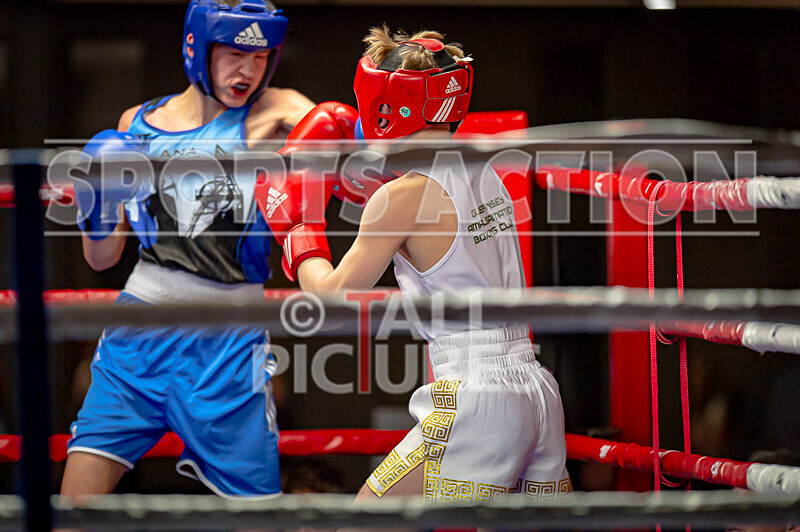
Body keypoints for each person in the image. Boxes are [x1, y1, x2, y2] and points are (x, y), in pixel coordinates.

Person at [257, 26, 570, 501]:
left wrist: (297, 227)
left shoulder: (400, 198)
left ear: (383, 104)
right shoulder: (484, 169)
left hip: (474, 394)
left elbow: (330, 299)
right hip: (536, 389)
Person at [62, 0, 314, 499]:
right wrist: (96, 204)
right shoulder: (136, 123)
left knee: (257, 518)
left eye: (262, 56)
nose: (249, 70)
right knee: (75, 504)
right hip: (140, 328)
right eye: (236, 54)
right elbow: (103, 257)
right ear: (198, 46)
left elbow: (354, 146)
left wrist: (341, 133)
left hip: (229, 339)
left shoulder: (276, 111)